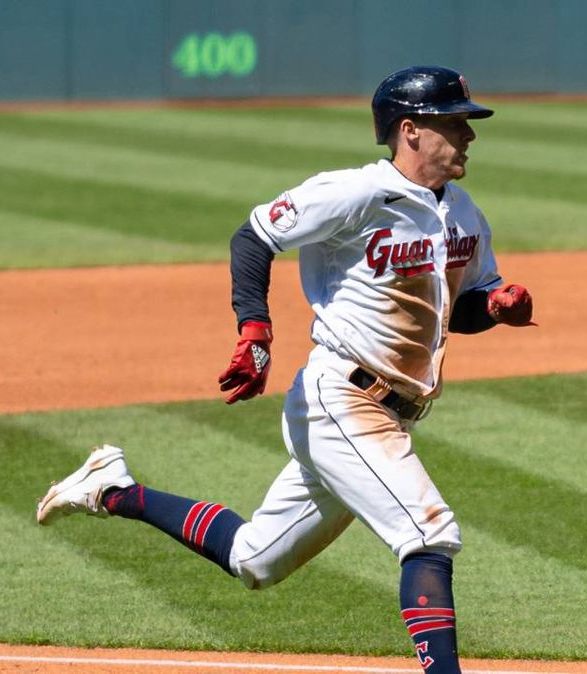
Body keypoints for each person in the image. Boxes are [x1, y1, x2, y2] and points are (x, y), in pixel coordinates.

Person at [36, 65, 534, 673]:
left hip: (388, 414)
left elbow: (461, 306)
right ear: (410, 130)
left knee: (255, 560)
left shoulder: (463, 214)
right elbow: (253, 237)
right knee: (428, 536)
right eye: (454, 123)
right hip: (341, 399)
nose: (469, 134)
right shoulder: (355, 193)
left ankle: (113, 489)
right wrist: (255, 330)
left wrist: (496, 308)